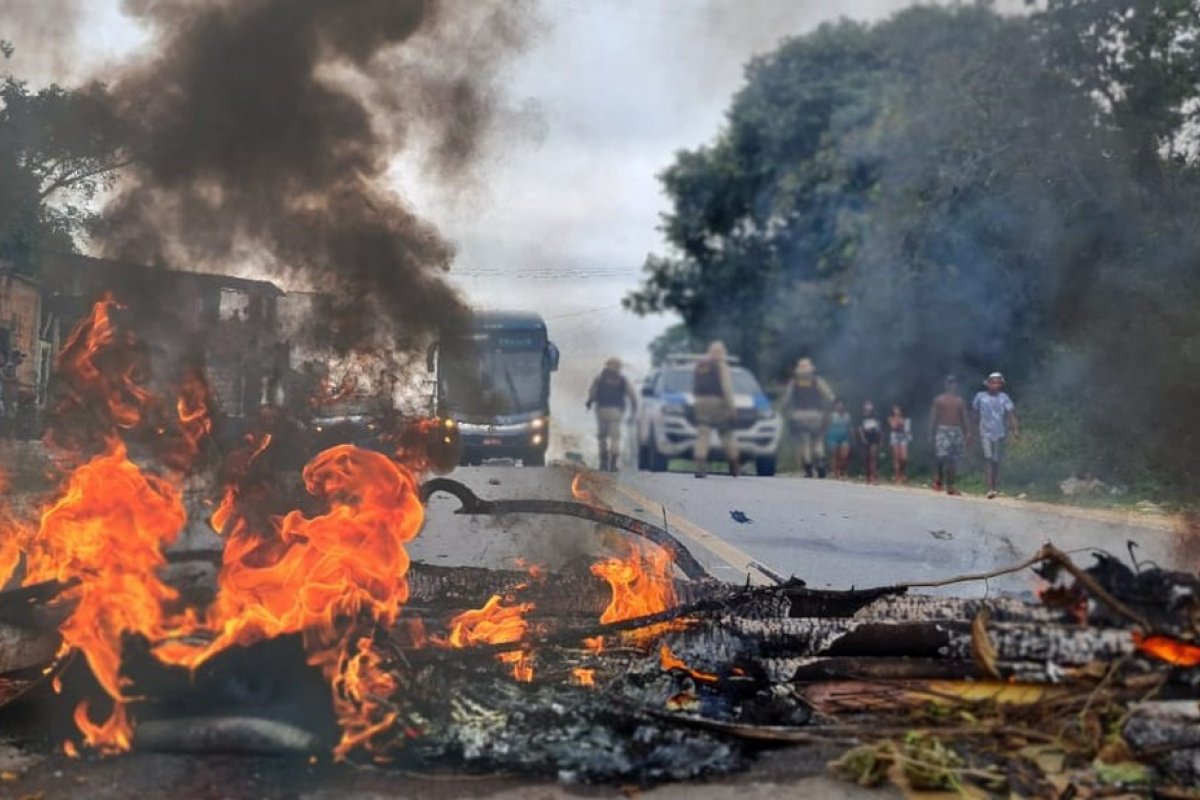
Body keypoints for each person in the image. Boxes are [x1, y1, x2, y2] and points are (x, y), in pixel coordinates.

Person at [780, 358, 834, 478]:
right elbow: (829, 397)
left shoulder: (794, 383)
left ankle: (808, 468)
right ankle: (820, 462)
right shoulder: (817, 381)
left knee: (804, 442)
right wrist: (827, 410)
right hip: (816, 415)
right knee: (818, 441)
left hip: (799, 415)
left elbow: (785, 400)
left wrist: (785, 411)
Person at [692, 341, 738, 478]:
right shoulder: (720, 365)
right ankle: (734, 465)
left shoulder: (699, 365)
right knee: (726, 434)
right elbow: (727, 388)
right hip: (718, 403)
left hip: (701, 402)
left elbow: (695, 385)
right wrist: (732, 407)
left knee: (703, 435)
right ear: (722, 352)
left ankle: (700, 467)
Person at [585, 356, 638, 472]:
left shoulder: (600, 378)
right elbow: (632, 396)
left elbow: (593, 393)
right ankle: (613, 463)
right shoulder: (622, 380)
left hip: (601, 410)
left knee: (602, 436)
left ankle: (603, 462)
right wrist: (634, 408)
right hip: (616, 412)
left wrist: (589, 403)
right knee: (615, 437)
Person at [972, 371, 1019, 499]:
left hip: (999, 432)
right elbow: (975, 414)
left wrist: (1015, 429)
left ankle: (995, 486)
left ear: (1000, 385)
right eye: (993, 383)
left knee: (996, 460)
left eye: (997, 383)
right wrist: (972, 430)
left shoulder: (1004, 397)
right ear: (988, 384)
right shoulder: (980, 397)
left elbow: (1010, 414)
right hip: (985, 432)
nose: (995, 385)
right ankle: (990, 488)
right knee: (988, 458)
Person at [928, 375, 969, 495]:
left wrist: (969, 432)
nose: (951, 385)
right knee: (941, 457)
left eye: (953, 383)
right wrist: (931, 433)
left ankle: (951, 485)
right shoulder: (938, 400)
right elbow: (933, 417)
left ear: (956, 385)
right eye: (949, 383)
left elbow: (964, 417)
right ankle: (939, 480)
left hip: (956, 431)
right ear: (946, 384)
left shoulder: (960, 401)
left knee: (953, 460)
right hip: (943, 430)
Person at [825, 398, 852, 479]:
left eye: (841, 404)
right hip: (833, 437)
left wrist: (852, 435)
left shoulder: (847, 415)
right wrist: (826, 436)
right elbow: (825, 426)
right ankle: (834, 472)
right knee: (835, 455)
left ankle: (841, 471)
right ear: (835, 406)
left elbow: (849, 427)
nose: (840, 406)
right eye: (838, 404)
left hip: (844, 437)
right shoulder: (831, 415)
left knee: (844, 455)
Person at [857, 400, 882, 484]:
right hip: (865, 439)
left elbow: (879, 429)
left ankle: (873, 476)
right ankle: (867, 476)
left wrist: (880, 439)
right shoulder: (861, 417)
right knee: (866, 458)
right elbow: (860, 429)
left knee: (873, 457)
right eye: (867, 407)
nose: (868, 409)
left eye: (870, 407)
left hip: (874, 439)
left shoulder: (876, 417)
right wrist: (862, 438)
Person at [887, 404, 912, 484]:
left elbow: (907, 428)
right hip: (895, 436)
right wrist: (898, 420)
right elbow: (893, 427)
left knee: (904, 458)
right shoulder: (890, 418)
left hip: (903, 437)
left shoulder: (906, 419)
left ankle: (902, 473)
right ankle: (897, 476)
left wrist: (903, 424)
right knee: (896, 457)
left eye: (898, 409)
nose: (896, 410)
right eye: (895, 409)